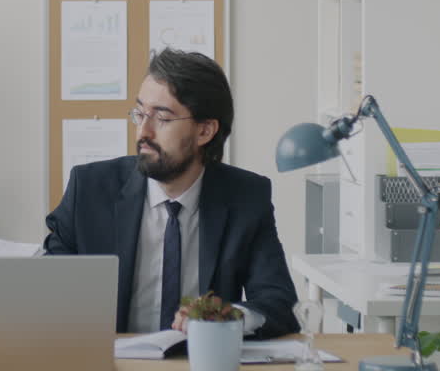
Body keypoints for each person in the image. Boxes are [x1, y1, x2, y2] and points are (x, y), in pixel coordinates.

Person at [44, 48, 298, 338]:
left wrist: (226, 317)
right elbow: (47, 290)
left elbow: (279, 304)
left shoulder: (246, 197)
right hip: (115, 367)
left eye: (162, 119)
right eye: (139, 114)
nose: (143, 132)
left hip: (200, 366)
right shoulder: (89, 189)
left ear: (205, 131)